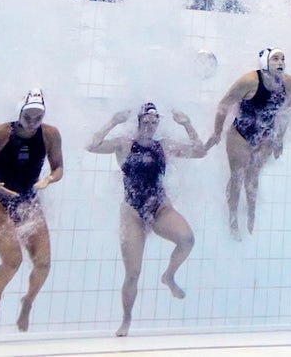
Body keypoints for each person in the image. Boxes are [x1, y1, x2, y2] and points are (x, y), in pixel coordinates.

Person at [88, 102, 206, 336]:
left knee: (187, 240)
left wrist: (188, 124)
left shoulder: (164, 146)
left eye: (154, 121)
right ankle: (126, 319)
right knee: (133, 274)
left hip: (159, 207)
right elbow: (91, 145)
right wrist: (113, 121)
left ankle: (169, 276)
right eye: (146, 121)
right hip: (132, 211)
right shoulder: (123, 144)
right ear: (138, 122)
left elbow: (199, 151)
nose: (150, 125)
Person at [0, 89, 64, 331]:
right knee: (12, 260)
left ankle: (27, 303)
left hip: (28, 204)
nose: (33, 122)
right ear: (19, 112)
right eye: (28, 117)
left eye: (38, 117)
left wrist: (49, 180)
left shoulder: (49, 134)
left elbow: (59, 168)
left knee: (43, 264)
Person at [207, 48, 291, 239]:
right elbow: (223, 105)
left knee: (254, 176)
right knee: (237, 178)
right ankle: (232, 219)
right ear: (264, 63)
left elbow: (287, 111)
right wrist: (216, 131)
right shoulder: (249, 81)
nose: (280, 62)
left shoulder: (288, 83)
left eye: (283, 59)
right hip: (240, 134)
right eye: (275, 59)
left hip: (265, 136)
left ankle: (251, 215)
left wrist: (279, 138)